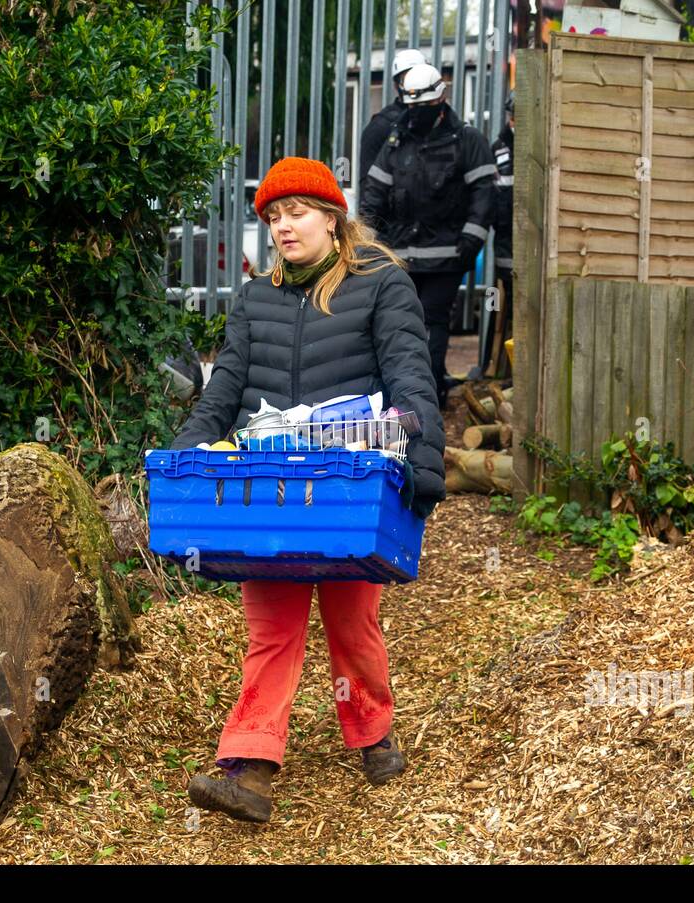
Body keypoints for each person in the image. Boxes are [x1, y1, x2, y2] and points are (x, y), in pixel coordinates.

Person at [170, 156, 446, 824]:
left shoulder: (380, 284)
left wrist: (423, 457)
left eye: (296, 213)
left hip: (350, 487)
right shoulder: (255, 298)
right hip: (272, 487)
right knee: (273, 625)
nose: (283, 228)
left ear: (331, 216)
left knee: (353, 622)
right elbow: (225, 392)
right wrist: (180, 460)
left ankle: (373, 730)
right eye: (272, 217)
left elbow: (411, 374)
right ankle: (249, 764)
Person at [359, 62, 496, 410]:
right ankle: (397, 396)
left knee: (433, 324)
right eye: (411, 107)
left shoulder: (467, 140)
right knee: (398, 323)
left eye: (422, 107)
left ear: (440, 99)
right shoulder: (396, 140)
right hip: (401, 255)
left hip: (447, 256)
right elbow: (374, 193)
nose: (415, 114)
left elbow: (484, 195)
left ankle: (429, 396)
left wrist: (470, 241)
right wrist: (367, 241)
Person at [357, 48, 427, 188]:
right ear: (397, 85)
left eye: (419, 76)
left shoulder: (442, 121)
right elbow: (369, 186)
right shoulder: (381, 127)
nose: (415, 83)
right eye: (408, 78)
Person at [489, 90, 514, 372]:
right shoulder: (497, 149)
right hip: (506, 243)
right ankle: (496, 366)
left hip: (534, 246)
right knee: (503, 309)